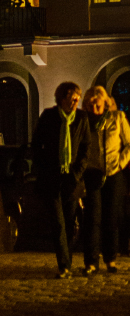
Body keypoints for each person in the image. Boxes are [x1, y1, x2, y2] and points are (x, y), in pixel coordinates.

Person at [31, 81, 91, 278]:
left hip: (72, 180)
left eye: (78, 97)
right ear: (63, 97)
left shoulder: (81, 118)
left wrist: (76, 173)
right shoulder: (49, 117)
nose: (77, 101)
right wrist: (44, 169)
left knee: (69, 221)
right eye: (73, 97)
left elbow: (85, 148)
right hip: (52, 178)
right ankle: (64, 265)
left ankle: (68, 259)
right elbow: (36, 145)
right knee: (57, 224)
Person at [80, 85, 130, 275]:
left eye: (97, 104)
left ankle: (111, 259)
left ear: (105, 103)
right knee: (92, 218)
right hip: (92, 173)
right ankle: (91, 261)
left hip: (113, 173)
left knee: (111, 218)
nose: (94, 108)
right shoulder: (84, 122)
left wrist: (120, 163)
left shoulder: (117, 118)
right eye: (90, 105)